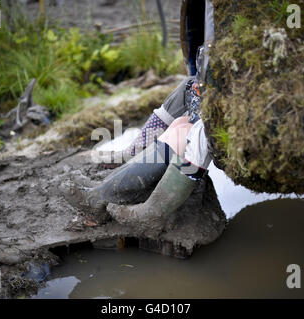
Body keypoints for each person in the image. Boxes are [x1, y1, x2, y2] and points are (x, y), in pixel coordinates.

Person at [69, 0, 215, 231]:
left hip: (224, 104)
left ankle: (153, 212)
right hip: (211, 87)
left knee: (189, 134)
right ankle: (117, 174)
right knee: (180, 116)